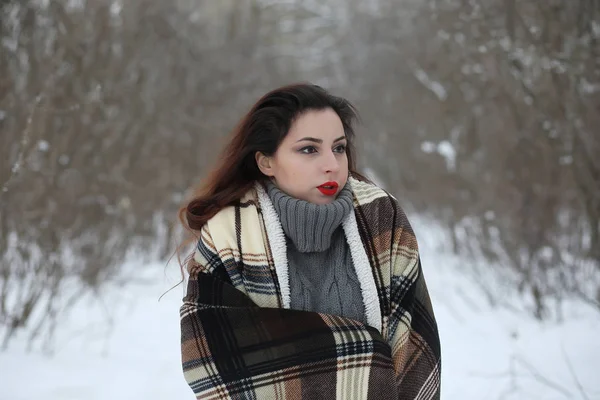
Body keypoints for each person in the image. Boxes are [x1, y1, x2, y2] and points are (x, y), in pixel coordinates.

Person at [178, 83, 441, 400]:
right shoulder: (228, 235)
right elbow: (211, 360)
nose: (331, 164)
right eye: (309, 149)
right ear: (266, 162)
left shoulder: (383, 220)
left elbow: (416, 346)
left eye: (339, 148)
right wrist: (365, 354)